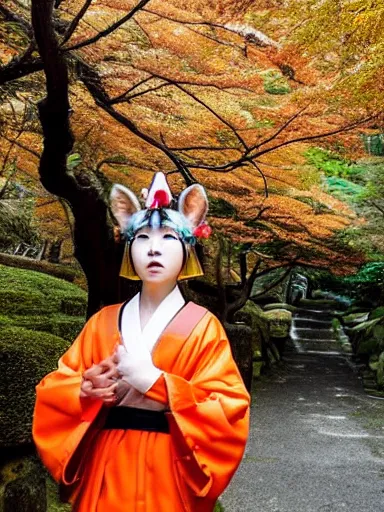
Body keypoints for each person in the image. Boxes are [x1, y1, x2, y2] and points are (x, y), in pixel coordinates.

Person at [33, 172, 250, 512]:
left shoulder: (204, 327)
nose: (153, 248)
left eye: (167, 237)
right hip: (106, 464)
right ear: (128, 246)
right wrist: (84, 390)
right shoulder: (103, 322)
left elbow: (229, 406)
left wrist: (157, 384)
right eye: (142, 237)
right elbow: (55, 387)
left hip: (169, 466)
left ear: (187, 246)